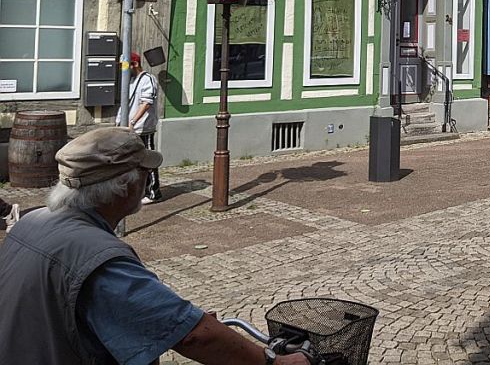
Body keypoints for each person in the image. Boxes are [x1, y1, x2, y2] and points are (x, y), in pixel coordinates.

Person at [0, 126, 310, 365]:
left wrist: (179, 321)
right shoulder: (97, 256)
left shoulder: (32, 221)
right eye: (144, 172)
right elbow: (194, 337)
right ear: (124, 186)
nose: (149, 178)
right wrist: (274, 362)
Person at [117, 51, 162, 203]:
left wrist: (133, 121)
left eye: (125, 66)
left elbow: (146, 103)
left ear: (135, 64)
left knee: (148, 159)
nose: (123, 70)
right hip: (130, 128)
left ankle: (153, 192)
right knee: (134, 161)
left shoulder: (147, 79)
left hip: (143, 127)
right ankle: (139, 190)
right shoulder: (130, 81)